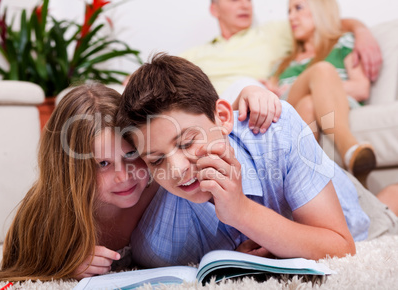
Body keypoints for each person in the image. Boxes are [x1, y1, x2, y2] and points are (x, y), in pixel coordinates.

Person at [117, 53, 398, 268]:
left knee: (387, 209)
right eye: (156, 161)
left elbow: (340, 248)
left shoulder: (277, 130)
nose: (177, 170)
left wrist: (241, 212)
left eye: (188, 142)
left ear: (224, 118)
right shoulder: (158, 243)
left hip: (349, 207)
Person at [0, 82, 281, 281]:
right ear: (71, 170)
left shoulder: (164, 174)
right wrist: (63, 265)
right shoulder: (49, 211)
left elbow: (191, 113)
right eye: (103, 164)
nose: (125, 176)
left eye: (132, 154)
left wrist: (249, 91)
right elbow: (15, 267)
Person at [264, 0, 376, 186]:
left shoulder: (343, 43)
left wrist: (320, 89)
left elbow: (361, 88)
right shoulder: (282, 64)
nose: (291, 17)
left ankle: (306, 186)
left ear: (320, 9)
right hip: (290, 110)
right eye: (289, 11)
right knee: (322, 71)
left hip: (333, 105)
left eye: (298, 8)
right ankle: (350, 150)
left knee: (309, 101)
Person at [180, 0, 382, 99]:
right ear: (214, 10)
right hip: (210, 106)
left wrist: (362, 31)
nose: (245, 5)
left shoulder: (273, 33)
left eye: (248, 0)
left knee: (248, 85)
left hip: (252, 101)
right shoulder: (193, 55)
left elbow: (325, 22)